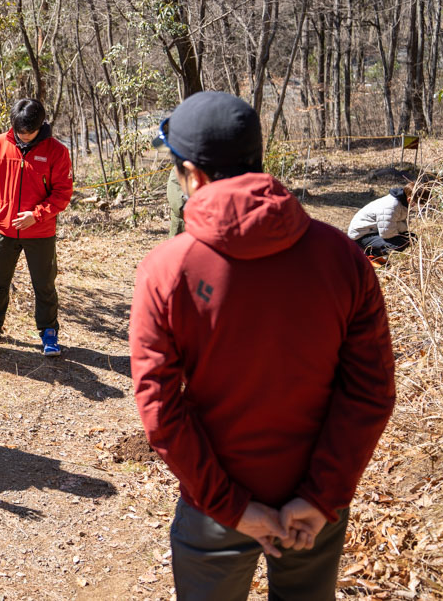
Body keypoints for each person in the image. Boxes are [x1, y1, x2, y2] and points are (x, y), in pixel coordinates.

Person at [129, 92, 396, 601]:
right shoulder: (342, 257)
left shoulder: (167, 270)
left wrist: (232, 507)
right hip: (313, 503)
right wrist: (320, 497)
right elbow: (371, 392)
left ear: (194, 176)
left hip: (216, 504)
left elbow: (160, 411)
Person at [0, 98, 73, 355]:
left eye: (29, 132)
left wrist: (37, 215)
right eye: (19, 131)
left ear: (41, 125)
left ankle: (49, 332)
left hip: (40, 231)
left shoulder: (57, 151)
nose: (24, 136)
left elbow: (62, 193)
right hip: (2, 228)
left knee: (44, 284)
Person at [347, 180, 425, 257]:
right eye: (417, 204)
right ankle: (368, 254)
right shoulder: (392, 206)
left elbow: (393, 226)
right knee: (398, 245)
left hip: (375, 231)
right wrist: (401, 226)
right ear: (410, 199)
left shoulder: (403, 203)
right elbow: (387, 233)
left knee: (412, 238)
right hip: (361, 235)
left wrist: (399, 226)